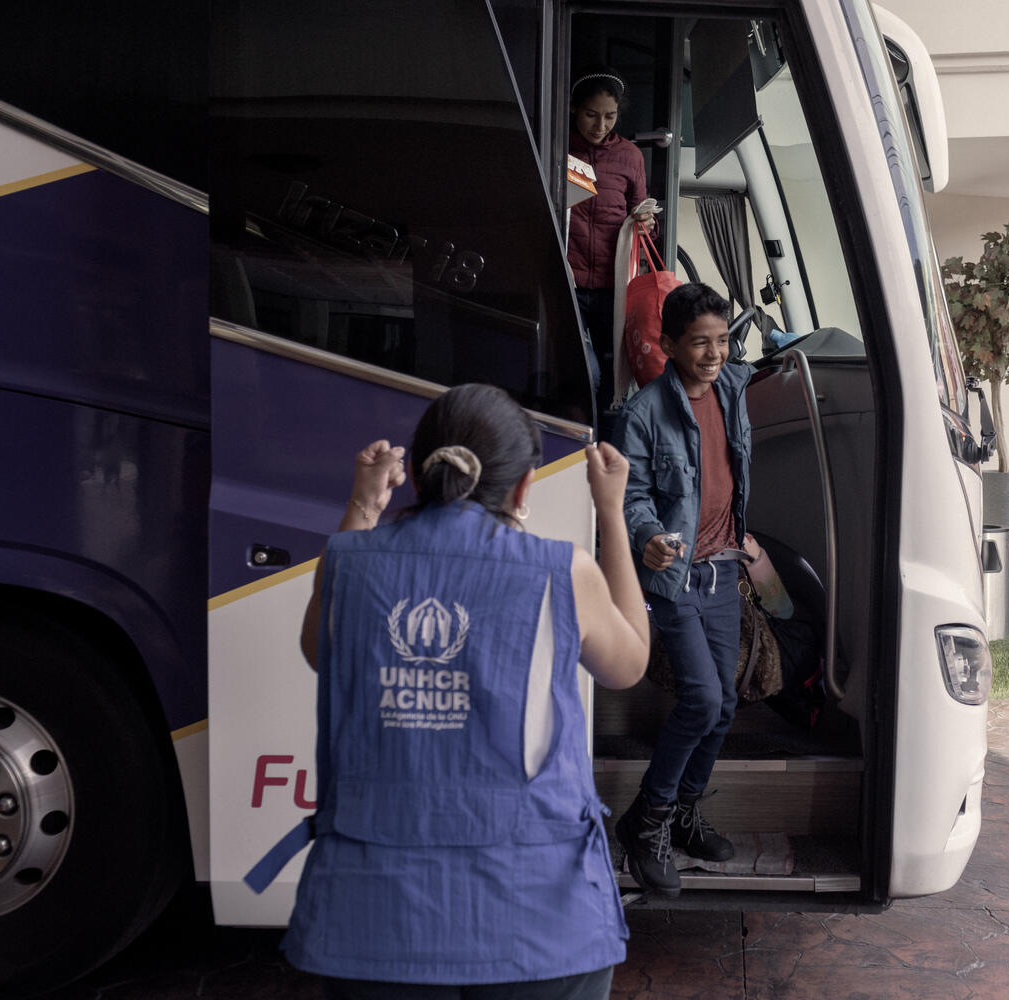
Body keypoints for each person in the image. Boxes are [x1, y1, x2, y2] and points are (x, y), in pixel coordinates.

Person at [245, 384, 649, 1000]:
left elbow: (320, 652)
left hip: (373, 922)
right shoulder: (561, 571)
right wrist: (612, 512)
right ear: (521, 488)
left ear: (420, 477)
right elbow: (628, 665)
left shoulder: (348, 562)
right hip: (538, 922)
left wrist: (361, 504)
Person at [610, 282, 751, 896]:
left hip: (722, 569)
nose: (714, 354)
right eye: (700, 343)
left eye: (722, 341)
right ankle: (650, 820)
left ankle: (685, 814)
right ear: (667, 345)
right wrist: (646, 535)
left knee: (724, 707)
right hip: (675, 576)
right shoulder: (641, 415)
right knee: (700, 698)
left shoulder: (733, 388)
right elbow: (631, 495)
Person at [566, 66, 653, 413]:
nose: (600, 126)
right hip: (567, 281)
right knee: (585, 372)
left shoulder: (629, 156)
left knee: (615, 378)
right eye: (591, 115)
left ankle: (607, 449)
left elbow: (643, 221)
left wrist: (646, 222)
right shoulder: (559, 147)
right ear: (574, 108)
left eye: (610, 116)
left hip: (611, 289)